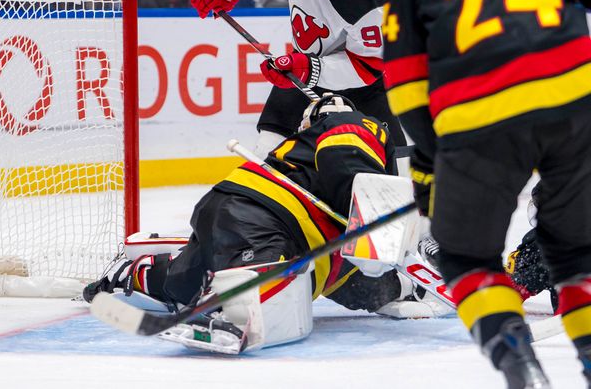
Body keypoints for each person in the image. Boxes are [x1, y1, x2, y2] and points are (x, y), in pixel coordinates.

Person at [382, 0, 591, 385]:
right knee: (578, 255)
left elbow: (406, 84)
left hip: (479, 122)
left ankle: (520, 366)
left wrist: (431, 170)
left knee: (464, 256)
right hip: (574, 110)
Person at [84, 94, 444, 351]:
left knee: (182, 284)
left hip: (237, 214)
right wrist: (379, 233)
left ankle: (138, 272)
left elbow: (354, 286)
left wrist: (398, 290)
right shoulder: (353, 123)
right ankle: (225, 308)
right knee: (269, 301)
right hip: (266, 217)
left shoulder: (350, 216)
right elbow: (346, 166)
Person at [190, 0, 405, 157]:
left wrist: (309, 68)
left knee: (396, 162)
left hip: (360, 87)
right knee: (266, 151)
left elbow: (366, 67)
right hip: (301, 66)